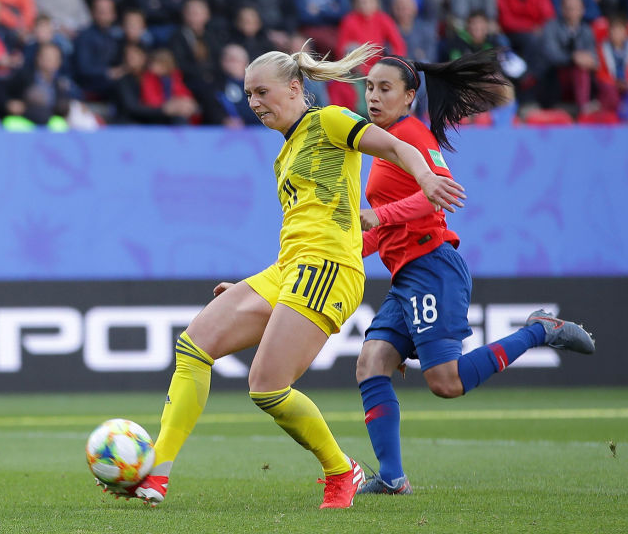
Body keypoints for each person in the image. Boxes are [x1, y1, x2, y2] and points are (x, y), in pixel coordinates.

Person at [106, 42, 466, 509]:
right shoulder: (286, 151)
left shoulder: (330, 120)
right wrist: (253, 290)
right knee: (193, 345)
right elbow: (302, 228)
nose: (254, 103)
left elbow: (397, 146)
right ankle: (158, 471)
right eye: (248, 95)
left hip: (329, 268)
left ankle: (342, 470)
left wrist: (426, 177)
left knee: (266, 386)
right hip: (290, 268)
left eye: (262, 92)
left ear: (296, 88)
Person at [355, 53, 596, 494]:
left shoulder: (409, 134)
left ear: (410, 97)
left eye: (384, 88)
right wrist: (349, 250)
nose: (372, 96)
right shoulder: (384, 141)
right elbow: (382, 229)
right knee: (371, 363)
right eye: (369, 87)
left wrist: (378, 217)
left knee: (446, 384)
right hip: (406, 275)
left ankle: (539, 331)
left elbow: (436, 196)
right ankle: (392, 478)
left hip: (432, 268)